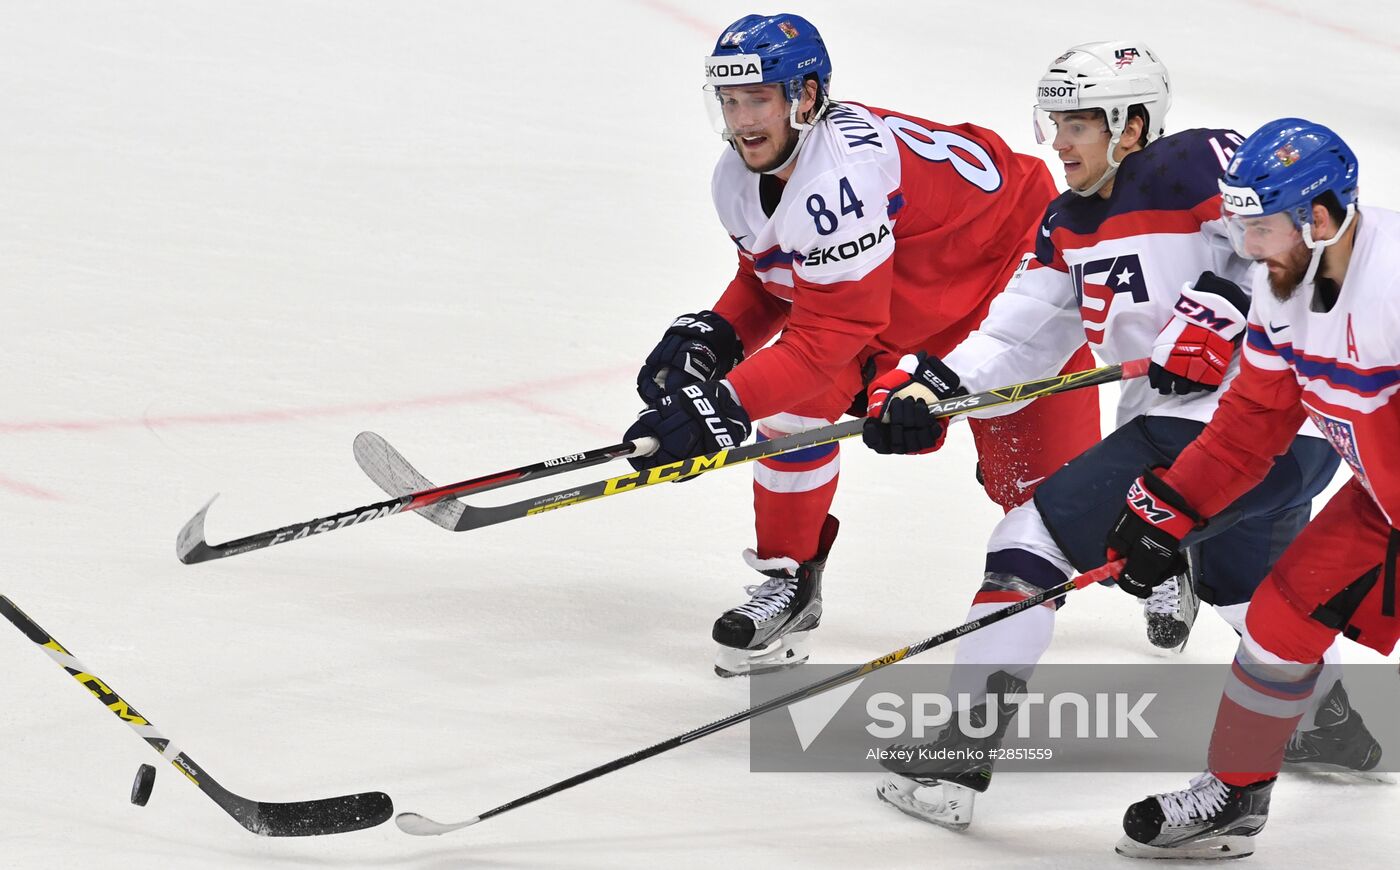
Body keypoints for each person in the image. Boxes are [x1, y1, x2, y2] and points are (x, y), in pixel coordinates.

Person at [862, 43, 1375, 832]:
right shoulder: (1067, 225)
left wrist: (1220, 304)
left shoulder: (1195, 164)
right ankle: (1330, 722)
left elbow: (1278, 248)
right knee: (1245, 594)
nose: (1059, 142)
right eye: (1055, 121)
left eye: (1079, 123)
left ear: (1133, 124)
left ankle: (955, 755)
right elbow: (1020, 333)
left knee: (1027, 539)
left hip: (1232, 430)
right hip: (1288, 455)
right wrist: (932, 387)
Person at [622, 13, 1100, 678]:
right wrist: (722, 333)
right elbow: (778, 276)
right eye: (730, 102)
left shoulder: (838, 179)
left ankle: (1176, 548)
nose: (742, 121)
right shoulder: (740, 176)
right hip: (903, 285)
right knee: (796, 405)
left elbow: (829, 334)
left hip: (1010, 274)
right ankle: (791, 577)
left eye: (758, 99)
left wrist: (721, 403)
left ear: (807, 98)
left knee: (1058, 499)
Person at [1108, 119, 1393, 860]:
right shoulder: (1282, 287)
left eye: (1260, 226)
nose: (1245, 245)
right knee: (1279, 620)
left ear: (1321, 218)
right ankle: (1236, 795)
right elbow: (1249, 427)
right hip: (1381, 500)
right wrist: (1167, 511)